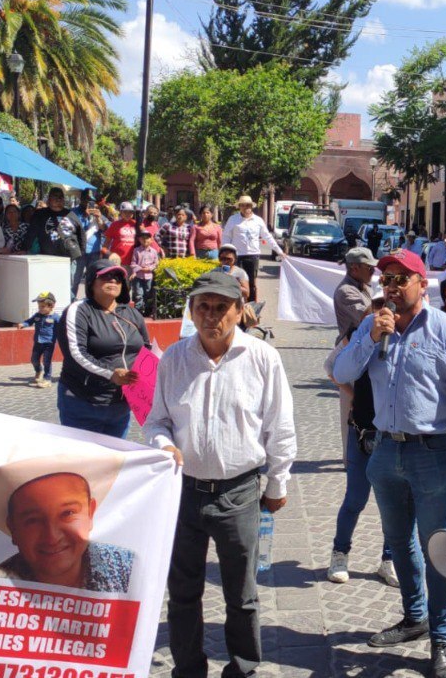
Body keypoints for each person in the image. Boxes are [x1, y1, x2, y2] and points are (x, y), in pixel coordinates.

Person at [332, 248, 446, 678]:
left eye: (402, 278)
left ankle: (441, 638)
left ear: (423, 284)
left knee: (435, 544)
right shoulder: (372, 324)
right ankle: (414, 617)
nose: (392, 285)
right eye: (386, 279)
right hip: (384, 449)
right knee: (398, 540)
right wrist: (369, 336)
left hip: (432, 451)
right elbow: (344, 371)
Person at [144, 272, 297, 677]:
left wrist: (277, 482)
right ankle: (189, 669)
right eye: (203, 307)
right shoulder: (174, 359)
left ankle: (243, 669)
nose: (211, 316)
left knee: (242, 595)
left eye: (221, 308)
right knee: (182, 593)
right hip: (183, 493)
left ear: (239, 310)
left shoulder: (263, 358)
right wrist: (163, 445)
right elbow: (155, 421)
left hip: (240, 493)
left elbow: (279, 427)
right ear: (192, 311)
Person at [326, 293, 398, 587]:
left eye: (388, 310)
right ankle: (339, 554)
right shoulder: (358, 336)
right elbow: (333, 368)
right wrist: (351, 393)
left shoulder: (405, 338)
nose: (385, 315)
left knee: (393, 505)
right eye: (378, 309)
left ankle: (390, 559)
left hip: (393, 435)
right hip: (363, 432)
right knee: (355, 499)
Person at [0, 464, 132, 592]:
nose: (52, 537)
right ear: (12, 527)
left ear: (91, 513)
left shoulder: (126, 570)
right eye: (33, 520)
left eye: (68, 513)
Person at [55, 260, 149, 439]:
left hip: (120, 405)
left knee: (114, 461)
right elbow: (76, 353)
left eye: (118, 277)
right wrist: (111, 374)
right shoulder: (79, 311)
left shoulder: (132, 314)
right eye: (106, 276)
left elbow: (146, 348)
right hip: (83, 402)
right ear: (91, 281)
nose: (113, 280)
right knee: (83, 462)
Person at [222, 196, 283, 302]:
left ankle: (251, 307)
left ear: (252, 206)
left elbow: (267, 236)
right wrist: (223, 253)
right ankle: (235, 306)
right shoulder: (233, 219)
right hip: (236, 256)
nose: (246, 207)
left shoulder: (258, 220)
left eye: (248, 205)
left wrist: (279, 251)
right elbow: (226, 236)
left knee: (251, 283)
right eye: (243, 205)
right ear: (239, 207)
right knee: (234, 281)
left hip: (252, 255)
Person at [22, 187, 83, 286]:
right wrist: (24, 248)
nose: (59, 199)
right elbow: (31, 233)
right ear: (49, 199)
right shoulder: (40, 214)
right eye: (55, 196)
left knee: (66, 289)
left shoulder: (71, 214)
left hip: (68, 259)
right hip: (47, 258)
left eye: (61, 197)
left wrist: (80, 253)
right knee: (47, 287)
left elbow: (81, 235)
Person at [20, 291, 60, 388]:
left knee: (47, 361)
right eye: (39, 306)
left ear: (51, 306)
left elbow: (62, 328)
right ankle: (38, 371)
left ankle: (47, 379)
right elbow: (29, 321)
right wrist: (23, 324)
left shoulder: (55, 317)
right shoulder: (38, 315)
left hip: (49, 343)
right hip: (38, 342)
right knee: (34, 359)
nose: (40, 309)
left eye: (42, 307)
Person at [71, 195, 106, 300]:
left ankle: (90, 301)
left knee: (92, 279)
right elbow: (71, 227)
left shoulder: (98, 213)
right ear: (81, 199)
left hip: (94, 251)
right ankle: (71, 301)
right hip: (78, 250)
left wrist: (98, 218)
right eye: (87, 200)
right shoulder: (73, 212)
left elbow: (104, 229)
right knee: (74, 279)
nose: (89, 203)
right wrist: (84, 216)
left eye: (91, 201)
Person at [129, 230, 160, 317]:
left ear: (151, 240)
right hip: (139, 276)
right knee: (138, 295)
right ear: (139, 239)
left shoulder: (154, 251)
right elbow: (133, 263)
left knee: (148, 294)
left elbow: (156, 263)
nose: (145, 240)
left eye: (147, 238)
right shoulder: (136, 250)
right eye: (143, 238)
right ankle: (138, 313)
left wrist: (149, 268)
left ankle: (147, 312)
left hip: (149, 276)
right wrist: (140, 269)